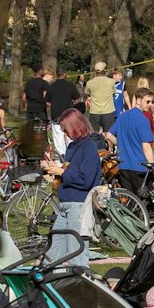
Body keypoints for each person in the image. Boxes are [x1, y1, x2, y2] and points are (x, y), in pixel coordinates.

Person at [46, 109, 99, 268]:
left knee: (76, 253)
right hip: (64, 203)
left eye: (65, 129)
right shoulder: (73, 147)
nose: (64, 133)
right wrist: (55, 169)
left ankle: (82, 285)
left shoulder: (88, 147)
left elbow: (85, 180)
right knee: (52, 253)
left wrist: (62, 171)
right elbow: (71, 171)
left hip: (78, 205)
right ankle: (50, 284)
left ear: (75, 127)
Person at [110, 87, 154, 195]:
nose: (150, 104)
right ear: (138, 100)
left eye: (152, 102)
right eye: (147, 101)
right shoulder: (143, 120)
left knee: (130, 202)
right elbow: (146, 147)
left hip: (123, 166)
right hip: (140, 166)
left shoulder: (122, 116)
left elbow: (109, 135)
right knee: (145, 201)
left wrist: (121, 144)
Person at [84, 62, 115, 132]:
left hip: (94, 111)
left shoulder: (89, 83)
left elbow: (87, 95)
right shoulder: (111, 82)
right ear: (105, 70)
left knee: (94, 134)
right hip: (108, 111)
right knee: (109, 134)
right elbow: (114, 93)